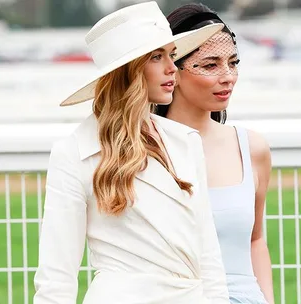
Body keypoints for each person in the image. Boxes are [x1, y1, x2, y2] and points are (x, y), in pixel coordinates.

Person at [33, 2, 230, 304]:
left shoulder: (185, 141)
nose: (171, 68)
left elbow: (209, 257)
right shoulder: (74, 153)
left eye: (172, 55)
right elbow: (56, 276)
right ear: (128, 70)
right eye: (156, 56)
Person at [154, 3, 274, 304]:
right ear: (172, 71)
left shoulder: (252, 148)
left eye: (233, 63)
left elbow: (255, 240)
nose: (228, 76)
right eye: (210, 65)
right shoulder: (143, 150)